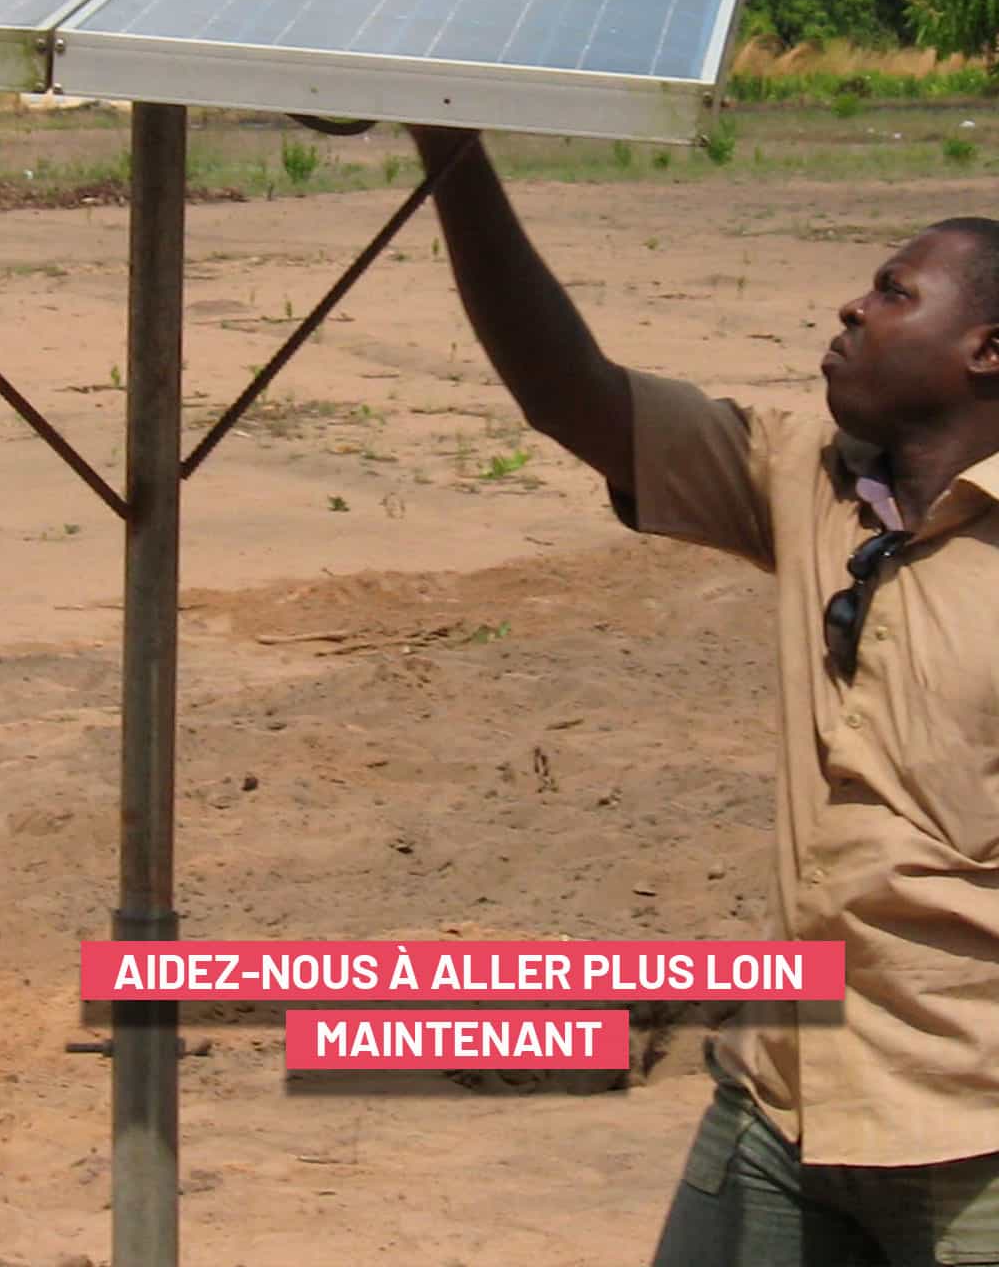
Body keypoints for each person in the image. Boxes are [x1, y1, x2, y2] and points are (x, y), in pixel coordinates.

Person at [410, 124, 999, 1267]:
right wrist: (452, 153)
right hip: (781, 1099)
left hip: (973, 1131)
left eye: (893, 292)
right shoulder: (803, 480)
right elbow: (569, 392)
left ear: (987, 349)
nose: (851, 307)